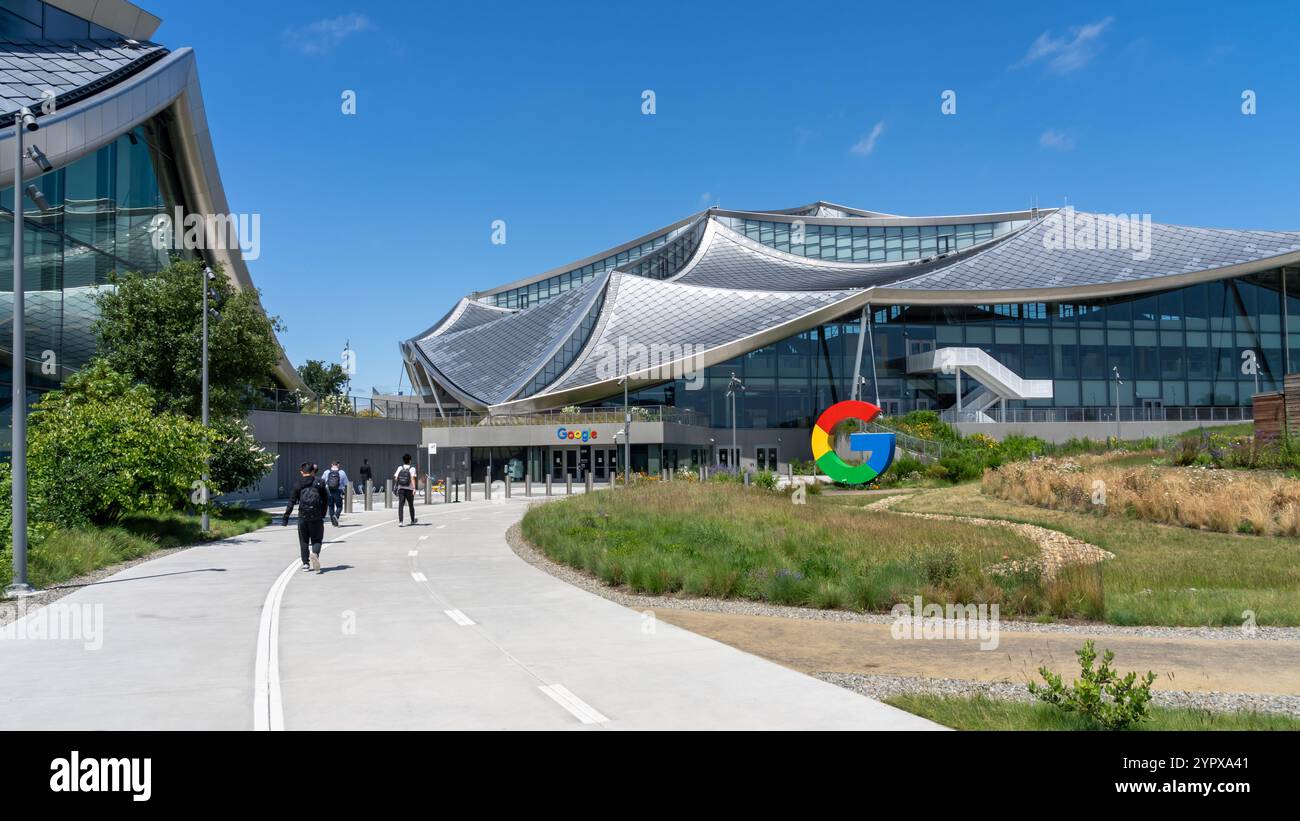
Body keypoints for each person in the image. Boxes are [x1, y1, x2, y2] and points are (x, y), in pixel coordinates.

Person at [283, 462, 329, 573]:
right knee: (317, 540)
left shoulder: (297, 484)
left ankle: (305, 564)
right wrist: (322, 514)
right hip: (316, 517)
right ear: (312, 471)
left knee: (303, 541)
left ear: (301, 472)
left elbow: (291, 502)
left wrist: (286, 517)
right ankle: (315, 554)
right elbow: (326, 500)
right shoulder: (320, 482)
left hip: (303, 516)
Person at [321, 460, 349, 526]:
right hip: (338, 491)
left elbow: (322, 481)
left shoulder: (327, 472)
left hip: (328, 491)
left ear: (331, 465)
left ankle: (333, 522)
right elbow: (346, 483)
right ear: (338, 465)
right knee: (339, 506)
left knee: (331, 506)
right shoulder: (342, 472)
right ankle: (336, 516)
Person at [393, 454, 417, 526]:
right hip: (409, 489)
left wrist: (400, 482)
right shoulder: (412, 469)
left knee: (401, 505)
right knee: (411, 505)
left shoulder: (400, 468)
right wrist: (414, 488)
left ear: (403, 460)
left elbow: (396, 478)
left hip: (401, 489)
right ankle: (412, 520)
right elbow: (412, 478)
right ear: (410, 460)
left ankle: (400, 522)